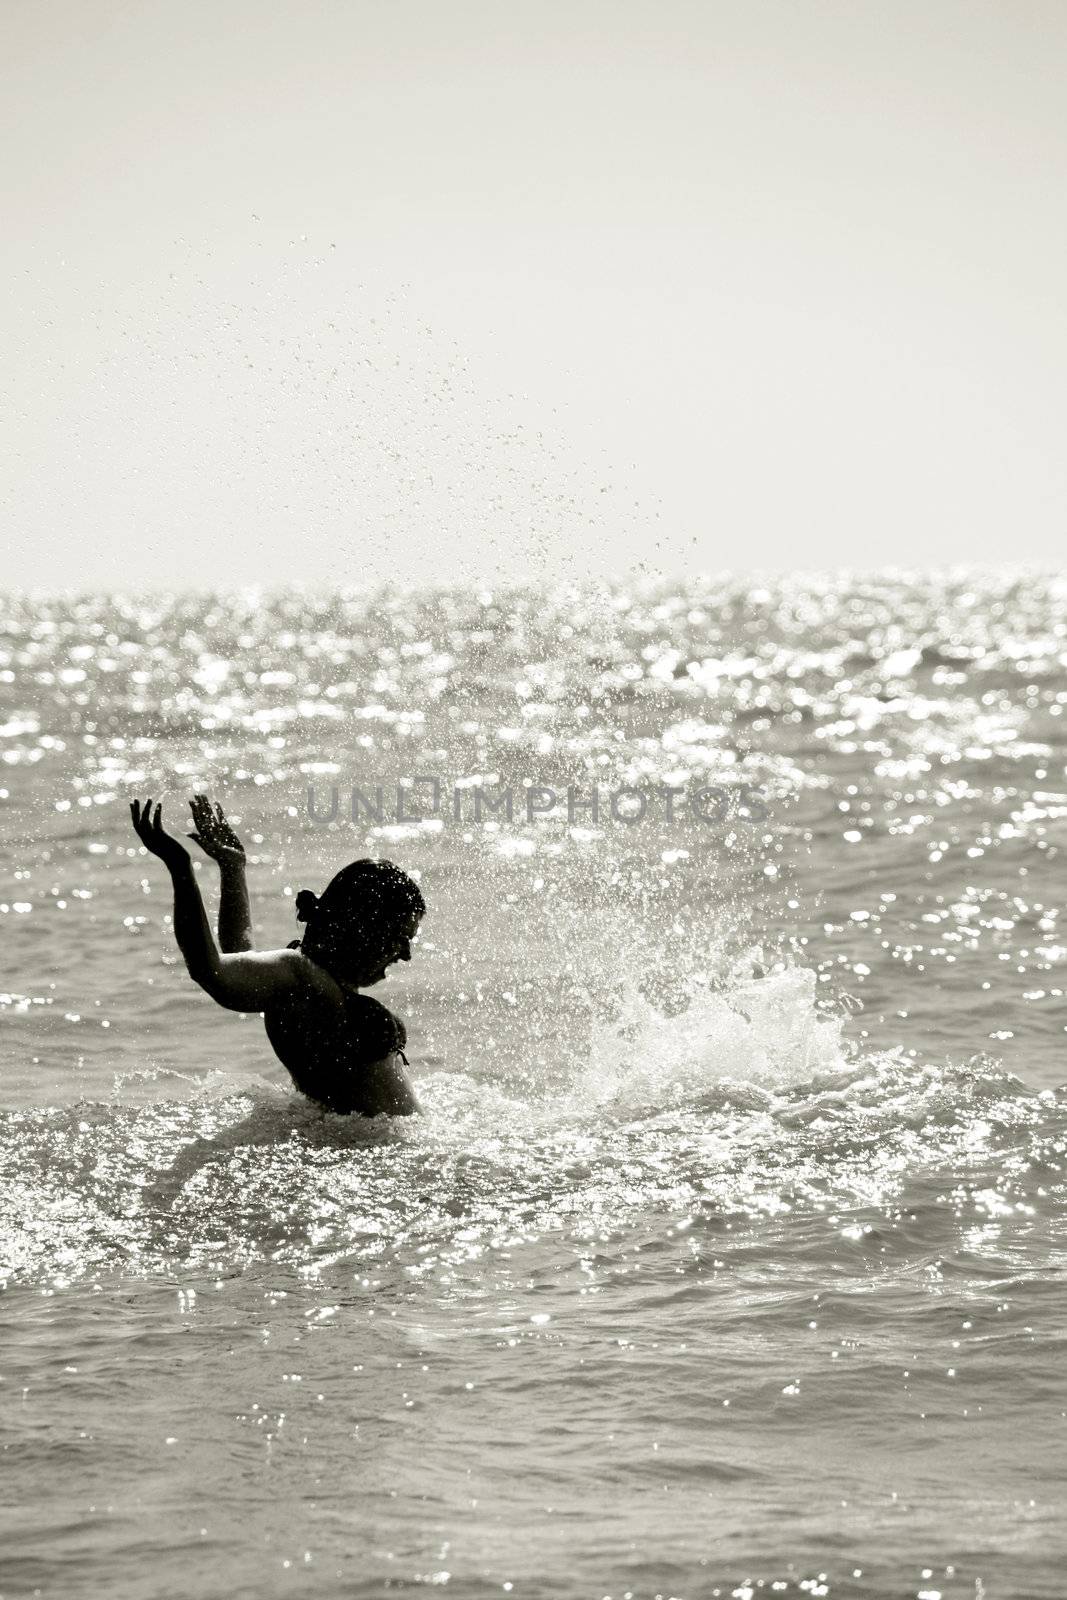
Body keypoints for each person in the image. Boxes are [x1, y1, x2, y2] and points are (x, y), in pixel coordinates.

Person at [129, 794, 425, 1116]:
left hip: (367, 1147)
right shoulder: (301, 975)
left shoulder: (312, 979)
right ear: (364, 929)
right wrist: (180, 867)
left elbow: (240, 957)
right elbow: (210, 971)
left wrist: (233, 867)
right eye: (399, 939)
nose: (406, 954)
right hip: (361, 1150)